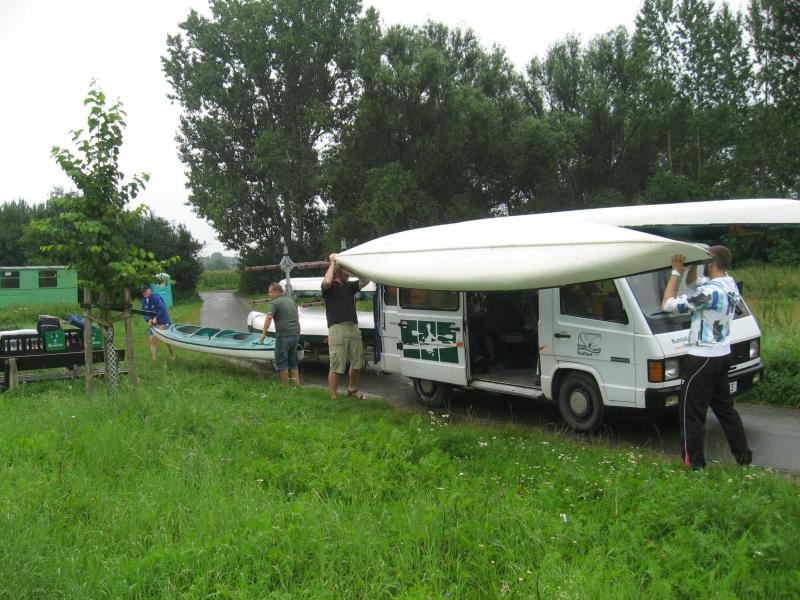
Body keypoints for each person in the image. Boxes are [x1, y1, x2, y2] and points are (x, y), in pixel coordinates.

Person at [661, 246, 752, 469]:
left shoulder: (709, 293)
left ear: (710, 263)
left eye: (704, 262)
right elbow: (694, 283)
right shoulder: (729, 285)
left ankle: (695, 465)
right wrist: (693, 265)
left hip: (702, 358)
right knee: (726, 411)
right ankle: (744, 459)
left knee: (690, 414)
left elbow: (667, 304)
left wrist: (675, 272)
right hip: (722, 355)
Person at [322, 253, 371, 399]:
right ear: (338, 269)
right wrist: (333, 263)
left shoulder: (349, 286)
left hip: (353, 327)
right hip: (337, 328)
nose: (348, 274)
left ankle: (352, 389)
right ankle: (333, 396)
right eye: (346, 270)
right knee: (337, 363)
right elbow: (327, 282)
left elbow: (366, 280)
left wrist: (350, 267)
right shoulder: (329, 287)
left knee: (357, 361)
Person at [259, 282, 301, 386]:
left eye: (270, 292)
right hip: (295, 334)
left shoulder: (274, 303)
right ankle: (296, 386)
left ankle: (285, 388)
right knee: (293, 361)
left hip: (283, 335)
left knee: (281, 361)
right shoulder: (291, 301)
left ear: (276, 292)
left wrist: (263, 333)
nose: (269, 294)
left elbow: (269, 317)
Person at [141, 284, 176, 361]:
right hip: (153, 323)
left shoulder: (156, 298)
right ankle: (154, 360)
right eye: (143, 292)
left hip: (163, 320)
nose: (144, 293)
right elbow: (144, 312)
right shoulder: (143, 300)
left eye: (145, 291)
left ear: (150, 290)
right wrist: (148, 319)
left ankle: (173, 356)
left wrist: (156, 317)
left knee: (166, 340)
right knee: (152, 340)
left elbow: (162, 309)